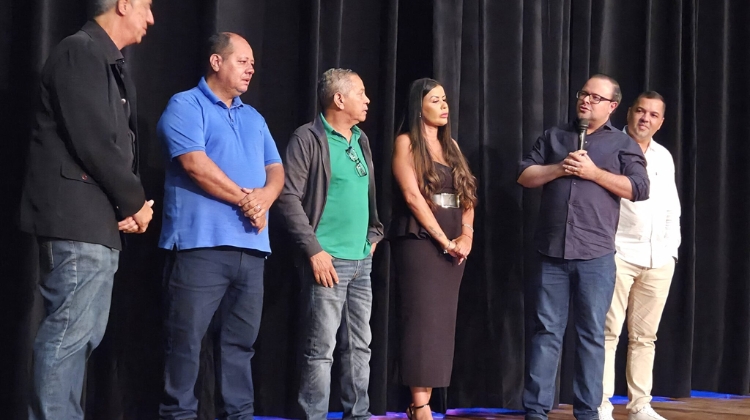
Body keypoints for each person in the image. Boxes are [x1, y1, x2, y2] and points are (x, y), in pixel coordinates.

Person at [18, 0, 155, 418]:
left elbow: (114, 144)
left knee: (83, 336)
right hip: (76, 221)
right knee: (68, 335)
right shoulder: (80, 51)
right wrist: (135, 202)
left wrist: (125, 206)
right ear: (124, 4)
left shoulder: (106, 61)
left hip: (96, 224)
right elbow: (95, 142)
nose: (151, 18)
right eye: (147, 6)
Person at [156, 32, 284, 420]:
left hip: (252, 251)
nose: (251, 69)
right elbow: (194, 164)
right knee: (185, 343)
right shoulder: (185, 104)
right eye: (242, 61)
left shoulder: (254, 117)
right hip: (200, 249)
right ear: (216, 62)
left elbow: (276, 169)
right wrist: (248, 200)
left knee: (240, 347)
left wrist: (266, 197)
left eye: (252, 64)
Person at [518, 74, 650, 420]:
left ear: (612, 106)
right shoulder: (555, 136)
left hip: (595, 256)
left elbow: (639, 188)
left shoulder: (622, 144)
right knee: (546, 332)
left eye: (595, 97)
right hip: (551, 253)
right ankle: (536, 411)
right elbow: (524, 175)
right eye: (583, 94)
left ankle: (588, 412)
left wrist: (595, 174)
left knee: (591, 335)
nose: (586, 100)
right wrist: (559, 168)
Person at [276, 68, 383, 420]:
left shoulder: (360, 139)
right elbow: (288, 197)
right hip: (328, 261)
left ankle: (359, 415)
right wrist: (314, 250)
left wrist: (372, 236)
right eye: (360, 93)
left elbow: (367, 195)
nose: (367, 100)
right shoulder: (307, 138)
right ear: (339, 99)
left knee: (360, 348)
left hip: (361, 261)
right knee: (321, 351)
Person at [389, 78, 477, 420]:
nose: (444, 106)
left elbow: (467, 194)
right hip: (422, 242)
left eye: (444, 100)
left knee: (441, 324)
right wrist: (443, 240)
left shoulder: (450, 145)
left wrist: (466, 236)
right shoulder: (406, 143)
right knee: (422, 322)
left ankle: (424, 401)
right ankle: (419, 405)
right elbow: (412, 197)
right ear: (419, 106)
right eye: (435, 100)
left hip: (455, 244)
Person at [598, 91, 680, 420]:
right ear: (629, 112)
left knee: (645, 337)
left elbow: (671, 208)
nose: (645, 118)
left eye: (653, 115)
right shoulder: (609, 146)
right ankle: (601, 404)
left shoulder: (664, 156)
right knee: (607, 333)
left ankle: (639, 405)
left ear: (661, 123)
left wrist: (671, 251)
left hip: (658, 258)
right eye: (641, 111)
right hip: (617, 253)